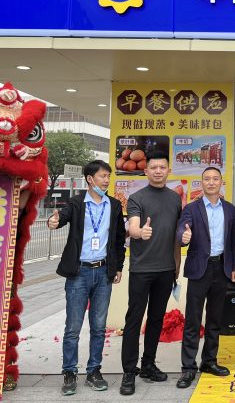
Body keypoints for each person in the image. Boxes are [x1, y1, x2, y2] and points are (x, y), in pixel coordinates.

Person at [48, 160, 126, 396]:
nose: (106, 180)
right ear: (90, 179)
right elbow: (62, 217)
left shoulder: (114, 205)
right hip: (79, 273)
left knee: (99, 327)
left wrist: (118, 267)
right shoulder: (77, 203)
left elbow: (119, 239)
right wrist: (54, 221)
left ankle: (94, 371)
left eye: (108, 176)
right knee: (73, 327)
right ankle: (69, 372)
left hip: (103, 272)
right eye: (103, 176)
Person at [119, 151, 182, 396]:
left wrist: (177, 264)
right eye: (153, 167)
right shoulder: (137, 198)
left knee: (156, 319)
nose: (157, 171)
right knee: (134, 320)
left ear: (168, 170)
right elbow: (133, 226)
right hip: (141, 270)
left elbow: (176, 235)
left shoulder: (175, 198)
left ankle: (148, 364)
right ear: (146, 171)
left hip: (166, 270)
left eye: (162, 167)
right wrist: (138, 233)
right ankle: (128, 371)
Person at [176, 166, 235, 389]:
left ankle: (209, 361)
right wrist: (184, 237)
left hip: (221, 268)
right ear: (201, 183)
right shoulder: (191, 208)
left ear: (221, 182)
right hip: (199, 269)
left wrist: (234, 266)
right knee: (193, 320)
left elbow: (233, 241)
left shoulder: (229, 209)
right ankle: (188, 367)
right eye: (207, 179)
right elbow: (181, 232)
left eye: (215, 179)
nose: (211, 182)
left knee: (215, 319)